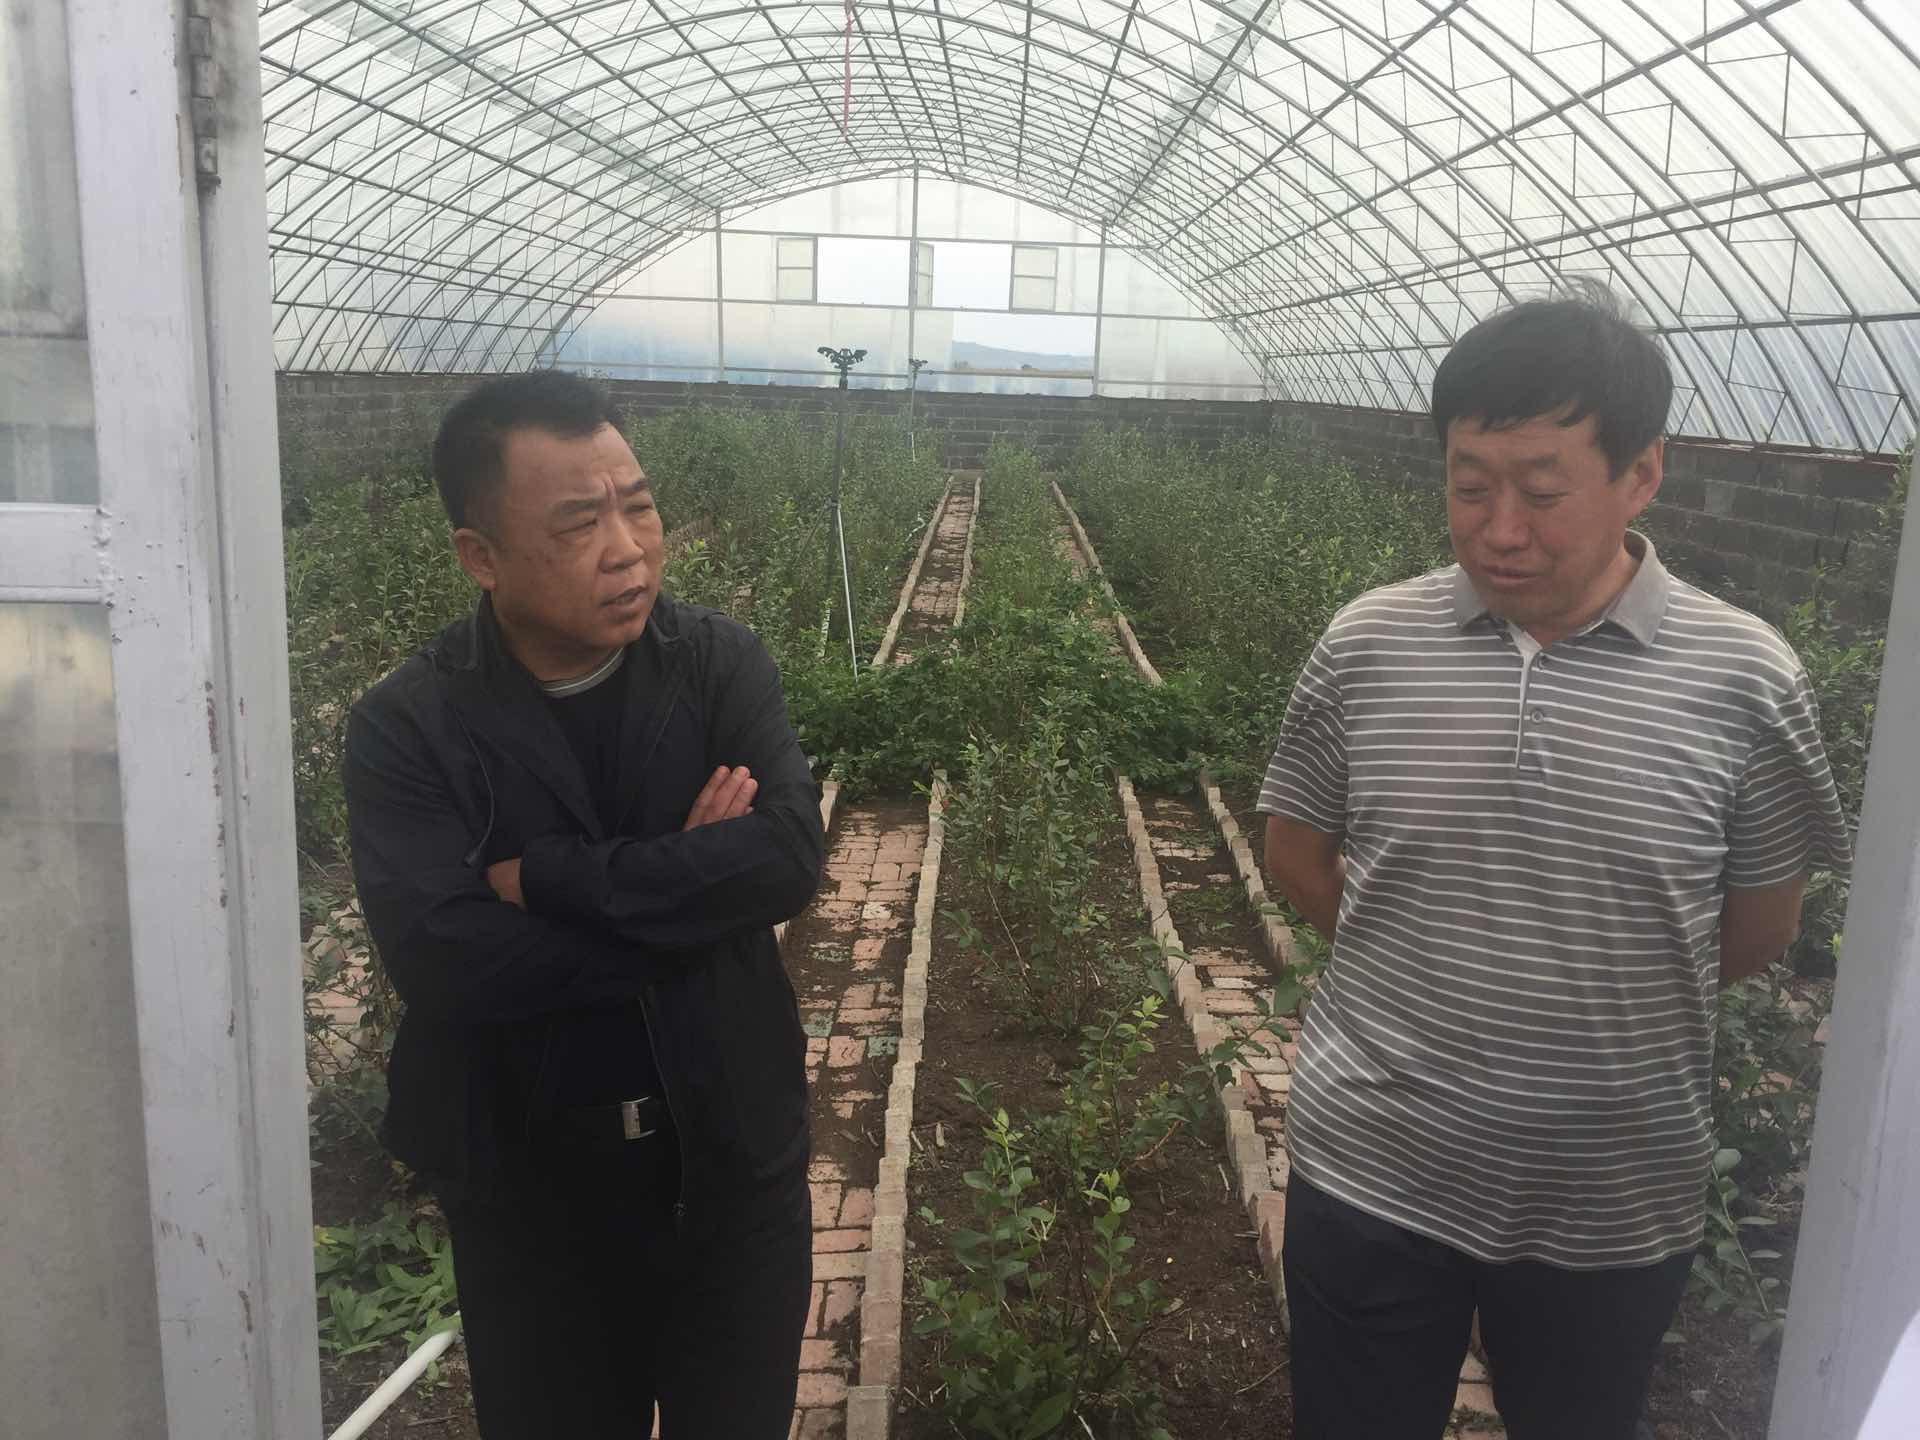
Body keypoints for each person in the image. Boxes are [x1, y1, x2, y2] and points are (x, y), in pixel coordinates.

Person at [1258, 283, 1852, 1440]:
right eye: (1468, 486)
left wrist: (1589, 1002)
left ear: (1642, 474)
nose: (1500, 529)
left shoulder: (1746, 679)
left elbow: (1760, 926)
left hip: (1611, 1203)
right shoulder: (1370, 643)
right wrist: (1426, 972)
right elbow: (1298, 852)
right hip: (1375, 1166)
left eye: (1541, 491)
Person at [344, 370, 825, 1437]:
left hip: (733, 1167)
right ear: (480, 555)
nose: (628, 550)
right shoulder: (410, 726)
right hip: (533, 1199)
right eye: (578, 524)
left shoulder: (717, 665)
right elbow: (448, 959)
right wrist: (694, 893)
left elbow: (789, 856)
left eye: (638, 507)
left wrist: (550, 881)